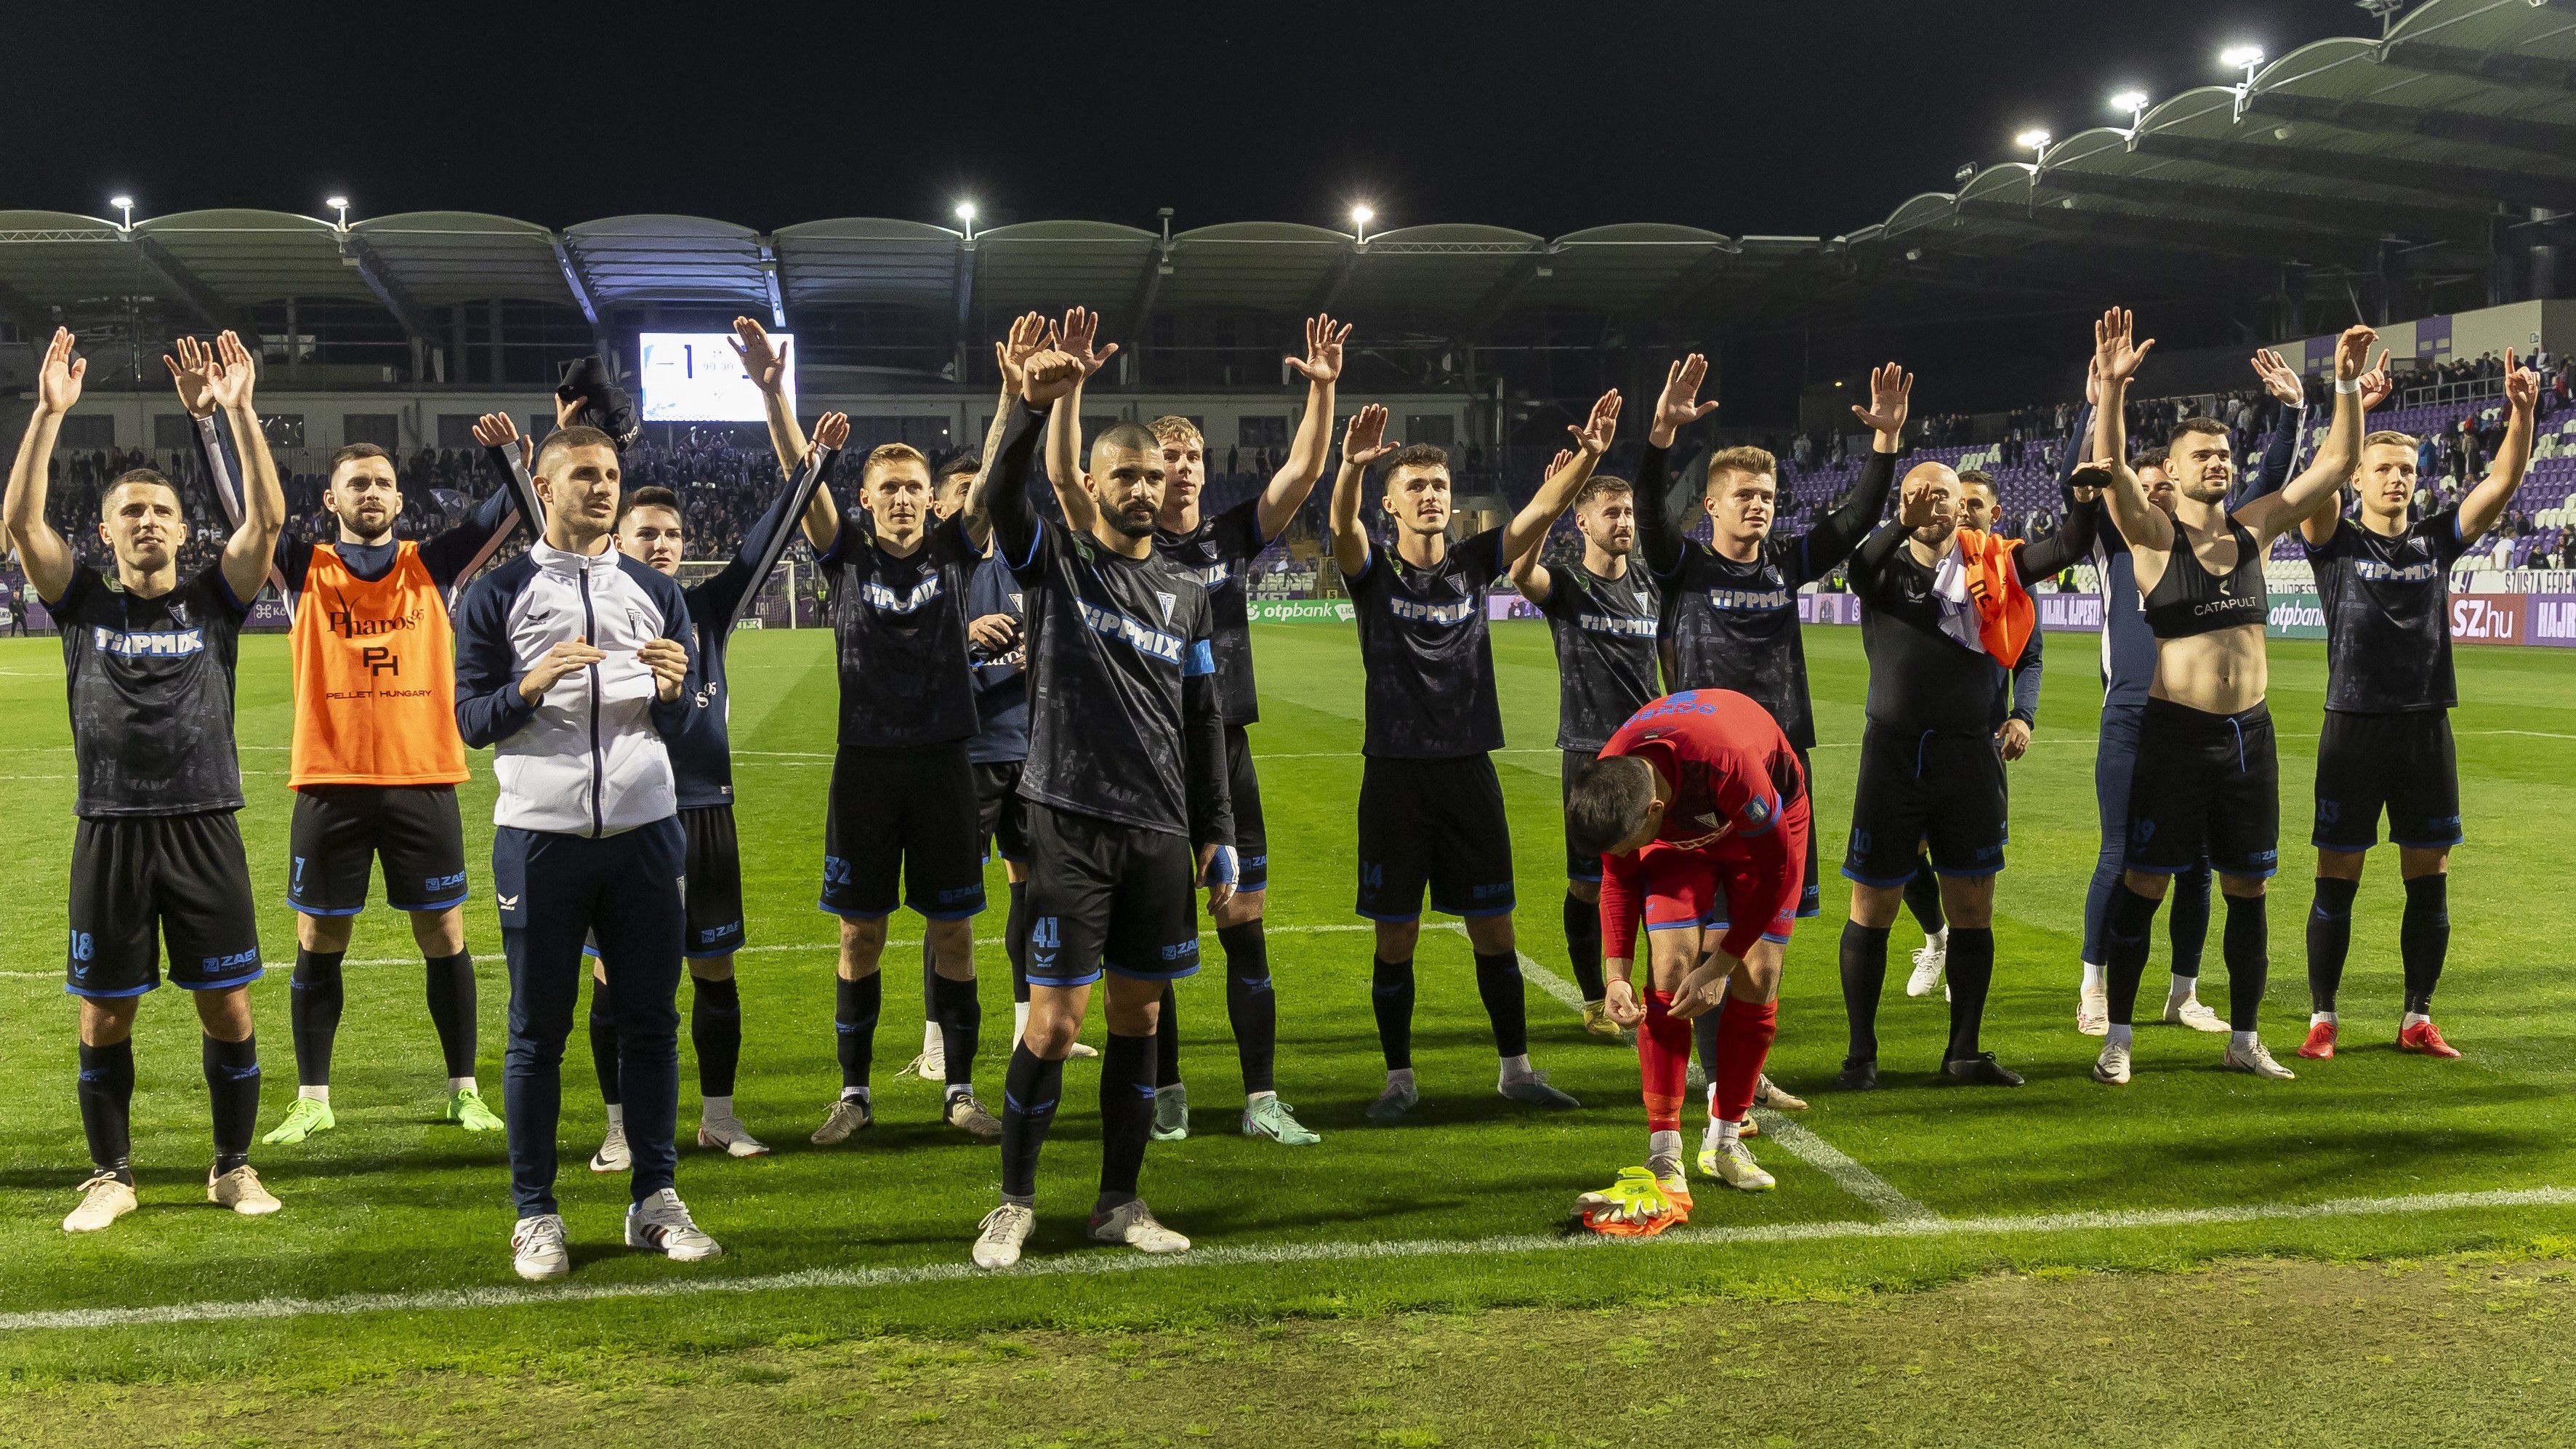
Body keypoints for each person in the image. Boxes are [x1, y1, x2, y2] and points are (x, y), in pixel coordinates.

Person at [964, 332, 1236, 1269]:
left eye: (1154, 475)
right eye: (1125, 475)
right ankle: (1013, 1201)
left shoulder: (1188, 592)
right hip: (1068, 825)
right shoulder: (1061, 563)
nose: (1144, 488)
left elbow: (1203, 719)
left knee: (1142, 1022)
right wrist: (1036, 405)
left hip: (1160, 835)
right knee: (1053, 1023)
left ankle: (1120, 1201)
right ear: (1095, 480)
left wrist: (1218, 833)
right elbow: (1001, 499)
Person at [8, 329, 287, 1232]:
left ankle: (232, 1167)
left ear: (183, 526)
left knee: (230, 1008)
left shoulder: (214, 602)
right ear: (106, 529)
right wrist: (48, 415)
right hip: (113, 827)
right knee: (104, 1022)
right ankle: (111, 1175)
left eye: (160, 510)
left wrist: (240, 410)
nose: (146, 522)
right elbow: (19, 525)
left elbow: (268, 524)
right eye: (130, 511)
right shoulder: (83, 603)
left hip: (206, 825)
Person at [1050, 313, 1343, 1147]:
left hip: (1225, 752)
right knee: (1156, 935)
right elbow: (1070, 484)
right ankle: (1170, 1089)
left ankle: (1260, 1097)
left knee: (1244, 924)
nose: (1177, 470)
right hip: (1143, 761)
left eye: (1190, 458)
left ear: (1203, 471)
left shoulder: (1224, 538)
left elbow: (1302, 472)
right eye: (1164, 458)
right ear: (1141, 471)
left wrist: (1319, 390)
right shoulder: (1117, 545)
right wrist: (1069, 388)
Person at [224, 398, 542, 1148]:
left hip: (422, 778)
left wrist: (511, 459)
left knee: (445, 935)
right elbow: (245, 512)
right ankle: (312, 1097)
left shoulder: (432, 565)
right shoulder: (302, 568)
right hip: (330, 782)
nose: (370, 493)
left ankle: (464, 1090)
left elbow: (518, 514)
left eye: (382, 483)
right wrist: (220, 418)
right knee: (317, 939)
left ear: (401, 499)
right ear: (329, 499)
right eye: (355, 483)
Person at [453, 422, 719, 1281]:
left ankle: (655, 1198)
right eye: (585, 476)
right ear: (544, 482)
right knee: (537, 1033)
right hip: (539, 840)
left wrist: (678, 694)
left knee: (651, 1022)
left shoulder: (654, 589)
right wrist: (529, 685)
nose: (603, 488)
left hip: (646, 834)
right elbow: (468, 719)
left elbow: (679, 723)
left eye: (611, 474)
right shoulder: (496, 595)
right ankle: (535, 1213)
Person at [2085, 309, 2371, 1085]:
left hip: (2250, 737)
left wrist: (2342, 381)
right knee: (2144, 884)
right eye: (2202, 454)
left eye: (2223, 452)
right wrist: (2110, 390)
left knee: (2249, 887)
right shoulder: (2149, 534)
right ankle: (2118, 1034)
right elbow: (2109, 467)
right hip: (2174, 736)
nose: (2219, 460)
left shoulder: (2254, 527)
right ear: (2170, 473)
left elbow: (2339, 464)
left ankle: (2243, 1037)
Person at [1327, 388, 1627, 1123]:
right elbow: (1339, 525)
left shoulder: (1470, 564)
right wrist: (1350, 470)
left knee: (1496, 928)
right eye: (1416, 488)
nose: (1430, 496)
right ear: (1391, 506)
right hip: (1394, 774)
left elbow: (1537, 515)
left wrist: (1589, 454)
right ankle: (1398, 1079)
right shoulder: (1373, 574)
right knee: (1396, 935)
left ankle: (1516, 1071)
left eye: (1439, 486)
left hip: (1469, 770)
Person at [736, 318, 999, 1145]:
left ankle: (958, 1089)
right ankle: (852, 1093)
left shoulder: (958, 551)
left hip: (944, 765)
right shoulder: (843, 553)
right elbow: (796, 476)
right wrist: (774, 391)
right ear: (866, 499)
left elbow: (995, 477)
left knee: (952, 931)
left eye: (911, 485)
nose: (898, 497)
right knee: (861, 931)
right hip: (866, 770)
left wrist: (1012, 395)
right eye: (885, 487)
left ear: (932, 496)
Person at [1635, 356, 1905, 1129]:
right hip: (1704, 784)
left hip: (1782, 776)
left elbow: (1852, 522)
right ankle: (1722, 1088)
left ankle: (1742, 1075)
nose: (1759, 505)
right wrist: (1659, 437)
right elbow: (1652, 512)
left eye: (1767, 496)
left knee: (1764, 945)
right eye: (1744, 495)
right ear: (1711, 503)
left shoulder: (1785, 564)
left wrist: (1884, 444)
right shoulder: (1681, 565)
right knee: (1719, 935)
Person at [571, 387, 837, 1168]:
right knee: (616, 974)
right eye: (646, 532)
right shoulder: (591, 607)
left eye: (673, 534)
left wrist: (810, 467)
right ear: (618, 538)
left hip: (705, 814)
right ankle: (619, 1127)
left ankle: (718, 1116)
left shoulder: (706, 610)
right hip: (625, 816)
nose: (662, 543)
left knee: (713, 969)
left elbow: (764, 542)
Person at [2299, 351, 2538, 1061]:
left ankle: (2416, 1017)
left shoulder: (2436, 541)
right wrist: (2356, 412)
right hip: (2351, 727)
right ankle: (2323, 1019)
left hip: (2424, 729)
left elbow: (2499, 483)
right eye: (2382, 468)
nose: (2396, 477)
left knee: (2426, 880)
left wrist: (2521, 413)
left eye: (2405, 469)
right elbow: (2317, 485)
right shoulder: (2333, 540)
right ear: (2360, 477)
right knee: (2335, 878)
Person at [1834, 445, 2095, 1090]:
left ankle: (1964, 1052)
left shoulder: (1997, 569)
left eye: (1941, 494)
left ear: (1963, 507)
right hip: (1893, 756)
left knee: (1974, 907)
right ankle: (1861, 1055)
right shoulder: (1885, 569)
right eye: (1917, 493)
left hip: (1969, 756)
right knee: (1872, 906)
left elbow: (2063, 549)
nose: (1930, 502)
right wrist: (1896, 520)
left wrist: (2083, 505)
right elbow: (1857, 566)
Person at [1568, 689, 1812, 1228]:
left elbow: (1773, 872)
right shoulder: (1620, 782)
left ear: (1656, 809)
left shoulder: (1728, 766)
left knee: (1761, 971)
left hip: (1764, 827)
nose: (1620, 853)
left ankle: (1725, 1139)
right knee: (1671, 966)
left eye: (1627, 841)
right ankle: (1664, 1150)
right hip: (1680, 837)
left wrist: (1721, 966)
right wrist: (1614, 977)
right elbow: (1618, 879)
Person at [1505, 459, 1658, 1040]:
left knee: (1657, 876)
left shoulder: (1648, 584)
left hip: (1648, 756)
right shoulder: (1568, 585)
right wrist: (1552, 495)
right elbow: (1523, 572)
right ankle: (1595, 997)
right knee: (1588, 884)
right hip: (1589, 753)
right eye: (1612, 512)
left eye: (1629, 512)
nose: (1624, 521)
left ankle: (1652, 989)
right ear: (1582, 522)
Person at [1899, 468, 2042, 1000]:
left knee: (1973, 873)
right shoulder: (1916, 566)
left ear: (1993, 513)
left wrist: (2023, 715)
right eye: (1958, 502)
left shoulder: (2005, 572)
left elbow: (2029, 655)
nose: (1963, 512)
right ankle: (1936, 937)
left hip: (1978, 746)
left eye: (1975, 504)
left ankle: (1959, 955)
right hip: (1912, 748)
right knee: (1907, 855)